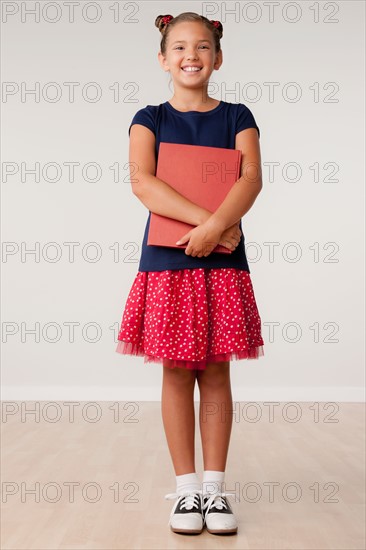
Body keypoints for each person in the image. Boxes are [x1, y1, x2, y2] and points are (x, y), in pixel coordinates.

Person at [115, 12, 265, 536]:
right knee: (176, 372)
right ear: (163, 59)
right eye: (178, 47)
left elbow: (250, 179)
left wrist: (221, 227)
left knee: (217, 370)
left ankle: (214, 491)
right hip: (170, 260)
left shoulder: (238, 115)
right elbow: (143, 183)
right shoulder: (149, 117)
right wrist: (210, 226)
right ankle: (184, 491)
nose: (191, 56)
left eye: (202, 46)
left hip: (223, 261)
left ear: (218, 58)